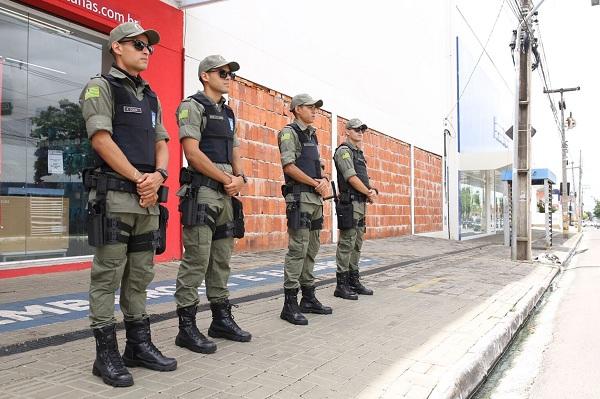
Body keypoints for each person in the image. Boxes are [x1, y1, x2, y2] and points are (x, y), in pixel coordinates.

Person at [80, 22, 175, 387]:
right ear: (117, 48)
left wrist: (159, 177)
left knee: (140, 277)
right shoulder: (101, 87)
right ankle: (106, 355)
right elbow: (101, 140)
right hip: (116, 198)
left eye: (149, 46)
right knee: (107, 276)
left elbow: (161, 143)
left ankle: (139, 346)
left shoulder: (151, 96)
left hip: (147, 202)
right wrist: (140, 179)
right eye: (138, 44)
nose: (147, 50)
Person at [173, 54, 251, 352]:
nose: (228, 76)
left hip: (227, 194)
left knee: (221, 260)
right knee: (196, 260)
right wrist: (224, 177)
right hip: (203, 193)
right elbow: (191, 153)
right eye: (222, 72)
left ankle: (220, 319)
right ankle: (186, 327)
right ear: (205, 75)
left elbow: (235, 150)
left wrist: (240, 177)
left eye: (230, 72)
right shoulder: (191, 106)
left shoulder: (229, 113)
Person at [278, 93, 333, 325]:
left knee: (312, 248)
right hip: (300, 197)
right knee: (297, 249)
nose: (314, 111)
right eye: (310, 107)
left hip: (314, 200)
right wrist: (315, 183)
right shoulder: (289, 133)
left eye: (316, 108)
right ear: (297, 109)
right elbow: (289, 167)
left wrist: (324, 180)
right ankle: (289, 304)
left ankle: (308, 298)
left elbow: (315, 166)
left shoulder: (312, 134)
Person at [333, 118, 377, 299]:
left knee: (357, 243)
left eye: (362, 130)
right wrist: (368, 191)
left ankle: (353, 280)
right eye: (357, 129)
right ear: (347, 131)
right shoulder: (344, 151)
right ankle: (341, 285)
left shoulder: (359, 153)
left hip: (360, 203)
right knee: (347, 243)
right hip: (350, 203)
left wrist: (372, 190)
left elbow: (364, 177)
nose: (360, 132)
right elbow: (350, 177)